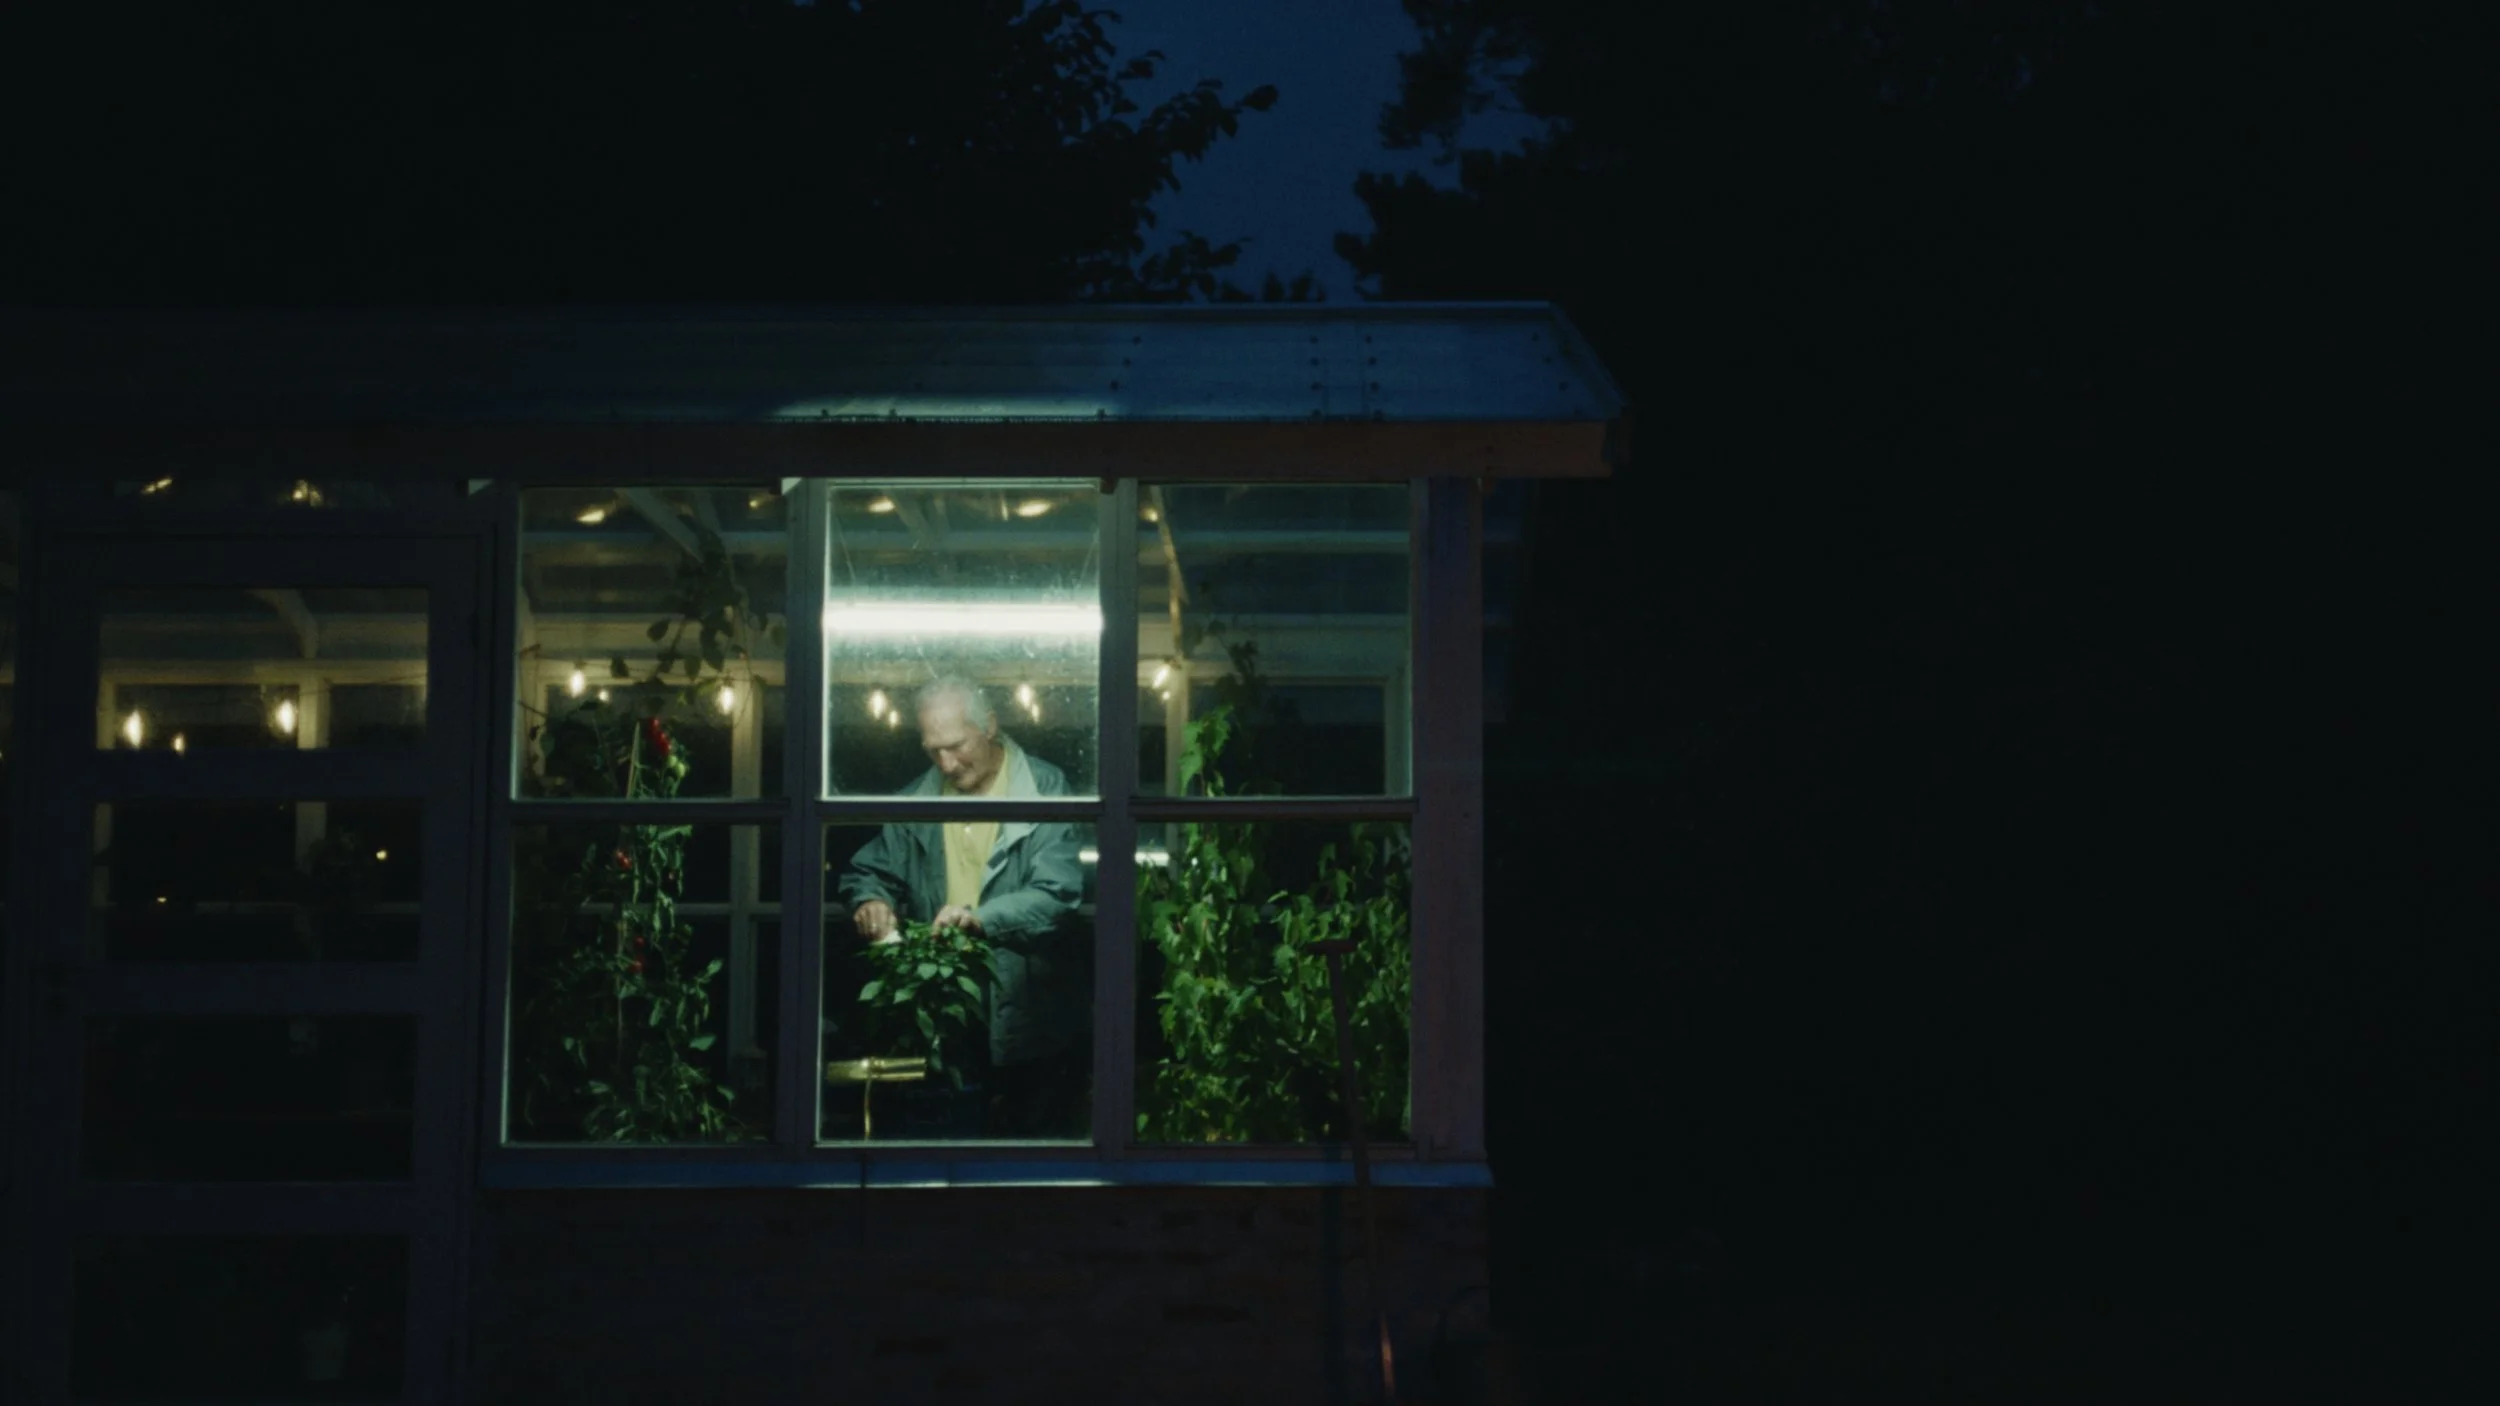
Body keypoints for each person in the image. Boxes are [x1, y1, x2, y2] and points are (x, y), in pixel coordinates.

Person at [834, 676, 1088, 1136]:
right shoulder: (916, 799)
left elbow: (1058, 895)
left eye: (956, 745)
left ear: (989, 725)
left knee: (1029, 1176)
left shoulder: (1047, 787)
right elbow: (866, 871)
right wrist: (870, 899)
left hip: (1032, 1029)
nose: (946, 763)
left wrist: (980, 920)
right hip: (944, 1023)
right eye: (933, 750)